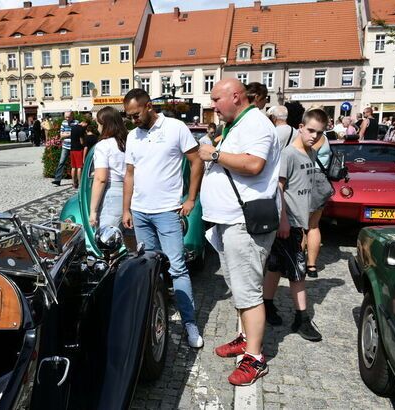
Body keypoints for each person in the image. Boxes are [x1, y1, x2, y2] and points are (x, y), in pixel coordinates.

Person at [198, 78, 280, 385]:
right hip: (229, 220)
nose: (213, 106)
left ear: (236, 96)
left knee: (248, 292)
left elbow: (255, 164)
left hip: (244, 222)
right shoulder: (236, 124)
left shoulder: (256, 124)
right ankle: (245, 338)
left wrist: (215, 154)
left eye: (216, 99)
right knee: (240, 287)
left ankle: (255, 358)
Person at [122, 88, 204, 349]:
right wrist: (126, 210)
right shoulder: (132, 136)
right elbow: (129, 175)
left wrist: (191, 198)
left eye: (135, 114)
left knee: (177, 267)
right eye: (128, 116)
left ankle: (190, 323)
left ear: (148, 106)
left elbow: (196, 161)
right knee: (149, 269)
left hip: (168, 211)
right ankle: (156, 315)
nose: (132, 120)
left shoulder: (175, 127)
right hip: (140, 211)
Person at [262, 108, 329, 343]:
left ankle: (267, 305)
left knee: (275, 267)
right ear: (300, 127)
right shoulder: (288, 154)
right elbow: (278, 189)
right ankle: (301, 318)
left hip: (298, 222)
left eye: (319, 133)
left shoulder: (310, 153)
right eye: (310, 130)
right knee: (298, 273)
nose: (314, 136)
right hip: (287, 223)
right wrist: (283, 221)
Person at [89, 107, 128, 229]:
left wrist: (93, 211)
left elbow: (101, 179)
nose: (97, 128)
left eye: (98, 124)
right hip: (134, 193)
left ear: (104, 125)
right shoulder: (129, 141)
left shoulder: (103, 146)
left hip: (113, 193)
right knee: (131, 241)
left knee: (108, 240)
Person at [306, 128, 333, 279]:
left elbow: (305, 154)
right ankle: (311, 265)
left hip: (309, 178)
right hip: (320, 180)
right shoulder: (324, 136)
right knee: (313, 225)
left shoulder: (316, 137)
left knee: (302, 225)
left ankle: (300, 263)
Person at [52, 111, 78, 186]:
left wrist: (66, 134)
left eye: (68, 117)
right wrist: (70, 133)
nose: (67, 118)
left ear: (72, 116)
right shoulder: (63, 123)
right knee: (61, 162)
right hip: (65, 145)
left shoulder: (76, 122)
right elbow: (61, 135)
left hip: (74, 145)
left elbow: (76, 134)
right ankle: (57, 179)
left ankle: (76, 180)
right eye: (66, 117)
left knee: (75, 164)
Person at [69, 118, 87, 188]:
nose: (86, 126)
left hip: (72, 149)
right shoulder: (81, 129)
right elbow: (81, 141)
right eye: (86, 125)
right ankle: (80, 183)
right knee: (79, 167)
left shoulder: (73, 127)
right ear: (84, 123)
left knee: (73, 167)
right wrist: (84, 144)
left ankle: (73, 183)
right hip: (78, 149)